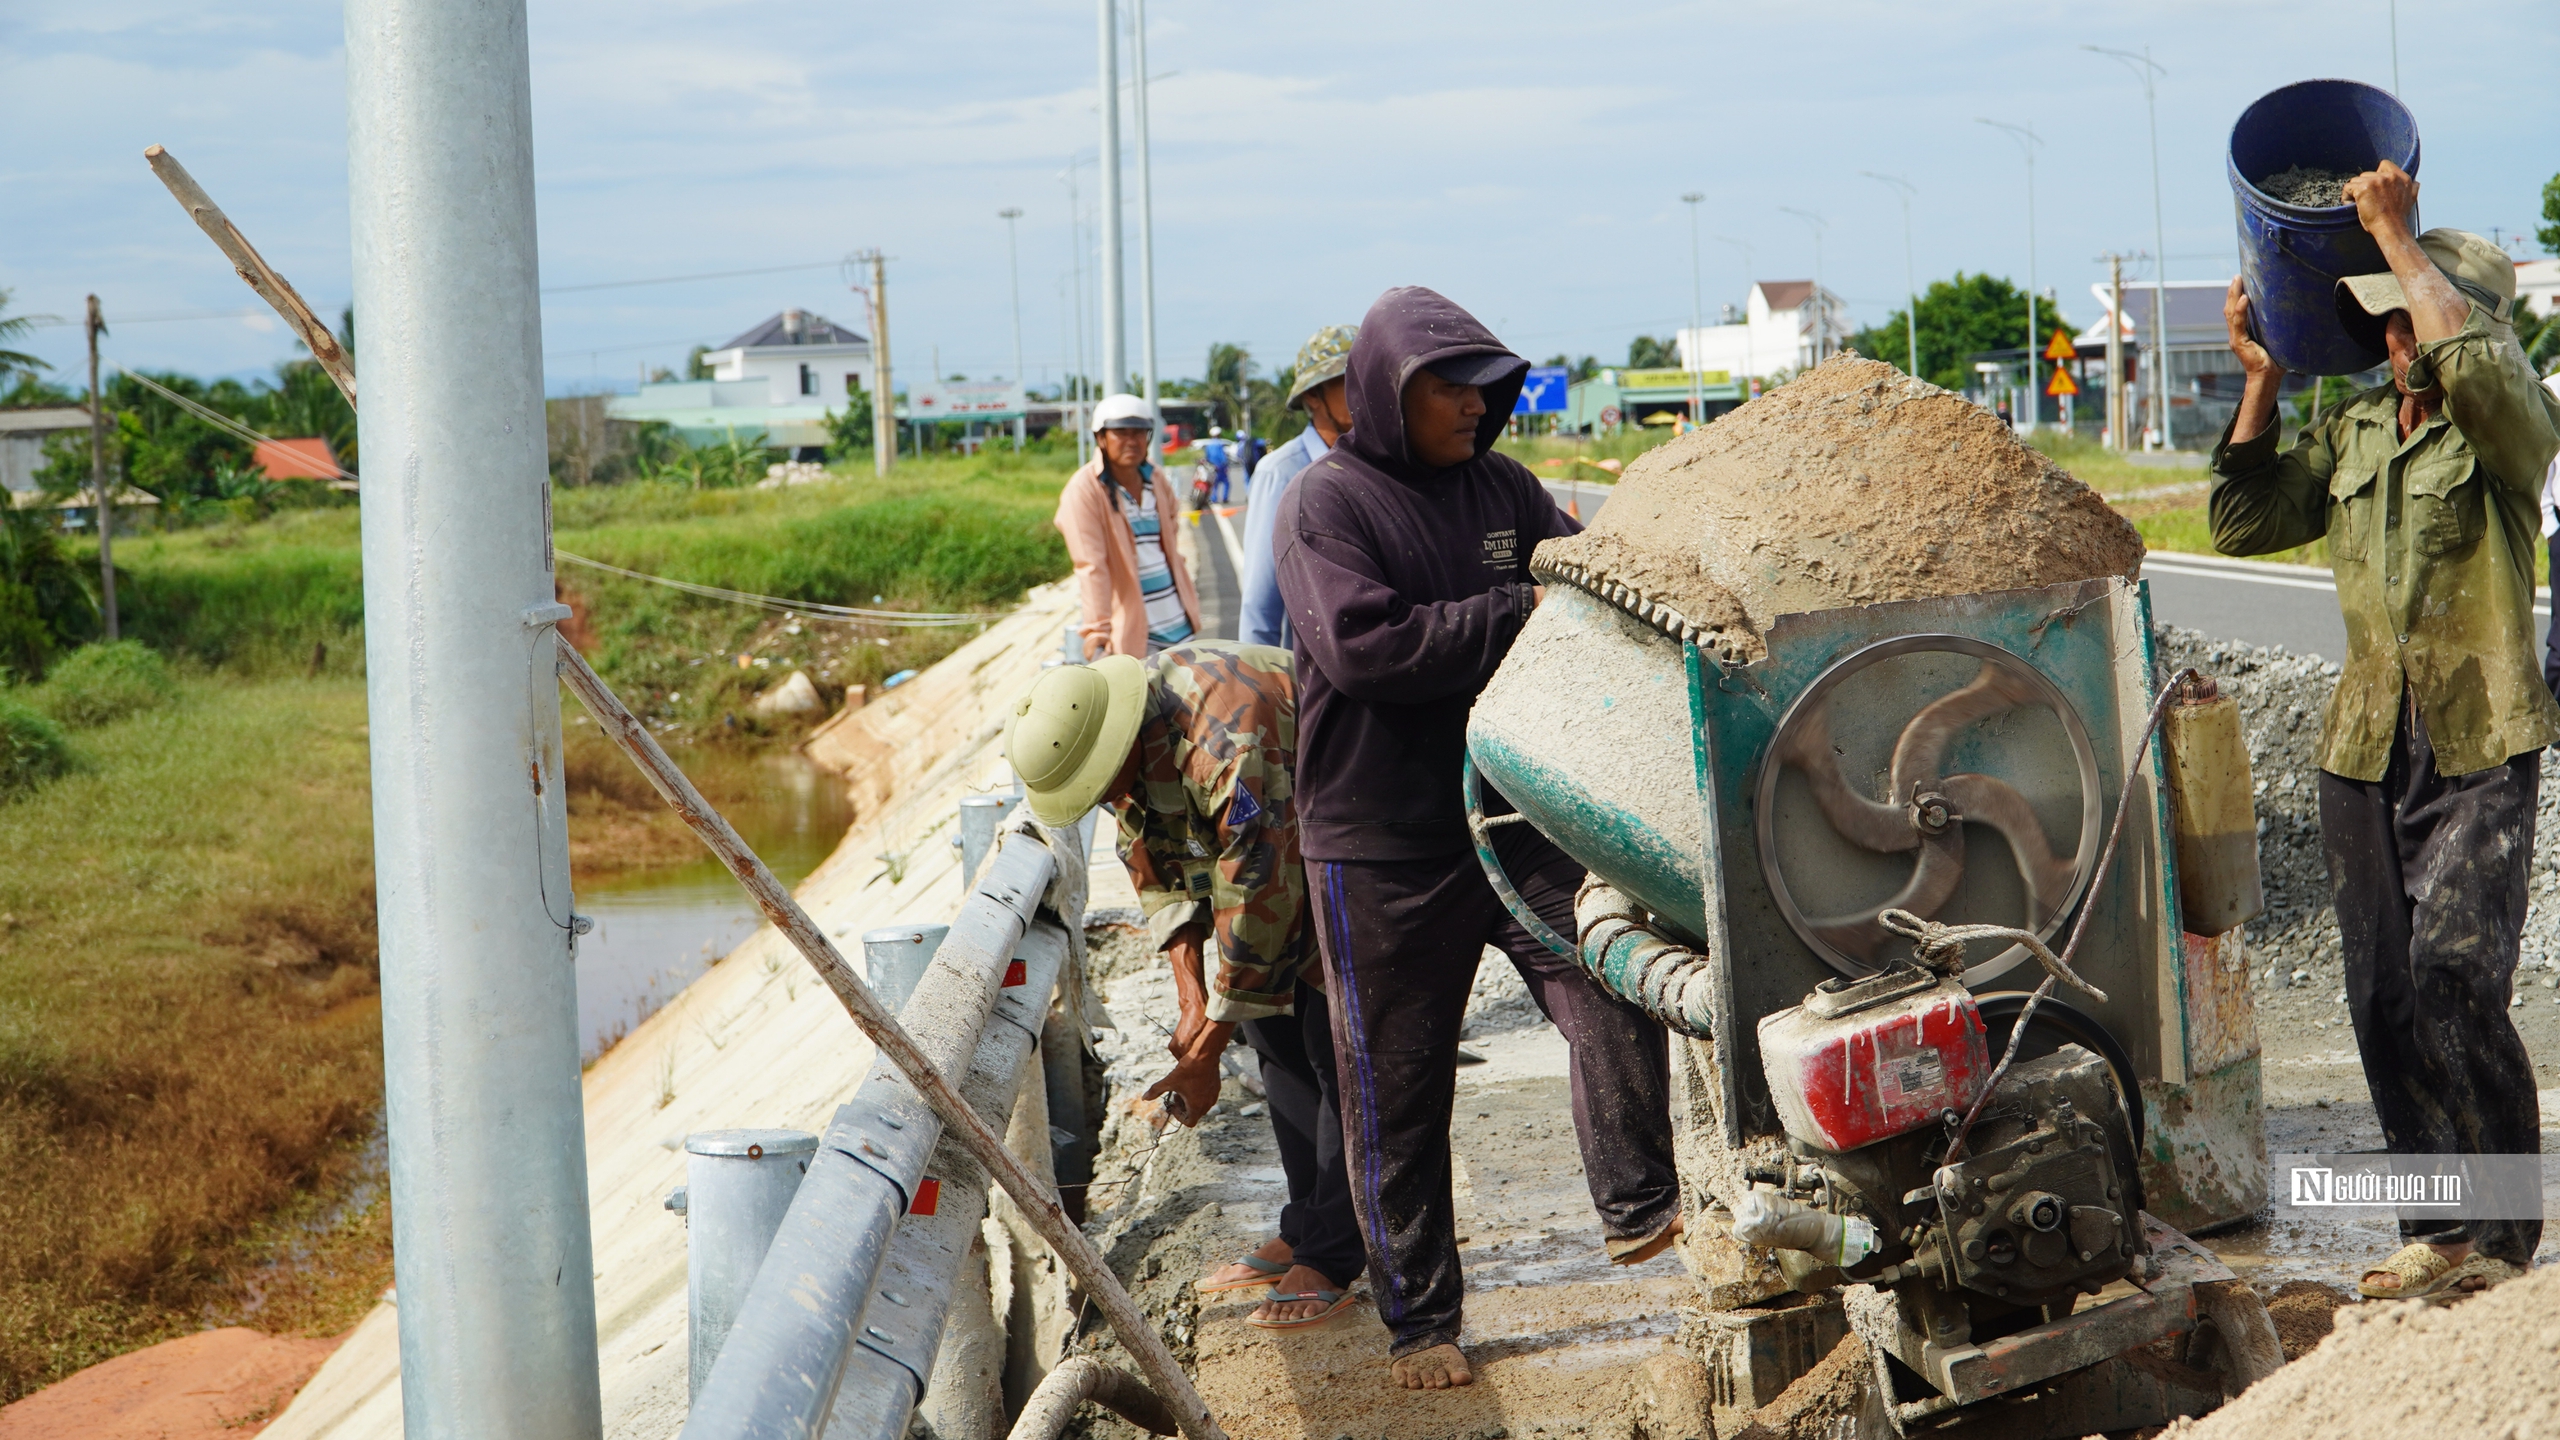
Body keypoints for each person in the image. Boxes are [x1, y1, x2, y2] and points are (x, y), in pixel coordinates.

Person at [1272, 287, 1681, 1391]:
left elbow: (1575, 584)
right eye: (1447, 388)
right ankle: (1420, 1321)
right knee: (1393, 1085)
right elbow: (1367, 650)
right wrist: (1516, 611)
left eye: (1483, 387)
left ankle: (1643, 1207)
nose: (1473, 406)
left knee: (1606, 970)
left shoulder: (1504, 488)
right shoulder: (1328, 503)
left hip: (1509, 808)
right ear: (1384, 394)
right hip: (1381, 840)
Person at [2211, 160, 2560, 1300]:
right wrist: (2259, 385)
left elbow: (2485, 374)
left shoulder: (2505, 435)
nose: (2393, 342)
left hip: (2478, 741)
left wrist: (2403, 244)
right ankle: (2440, 1231)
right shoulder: (2358, 431)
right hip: (2365, 748)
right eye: (2384, 323)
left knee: (2456, 973)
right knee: (2384, 997)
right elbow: (2240, 518)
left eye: (2406, 319)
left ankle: (2509, 1245)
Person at [1004, 643, 1362, 1330]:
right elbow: (1160, 871)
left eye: (1100, 786)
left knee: (1330, 1044)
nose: (1105, 801)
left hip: (1340, 840)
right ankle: (1305, 1224)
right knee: (1273, 1038)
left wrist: (1202, 1057)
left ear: (1117, 744)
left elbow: (1258, 896)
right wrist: (1195, 1004)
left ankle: (1336, 1252)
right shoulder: (1127, 743)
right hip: (1269, 864)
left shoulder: (1230, 741)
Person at [1054, 394, 1199, 659]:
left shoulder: (1156, 479)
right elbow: (1091, 567)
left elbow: (1171, 543)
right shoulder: (1084, 491)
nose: (1131, 441)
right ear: (1101, 438)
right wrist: (1098, 634)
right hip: (1138, 639)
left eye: (1139, 432)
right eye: (1121, 433)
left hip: (1181, 625)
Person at [1240, 324, 1357, 648]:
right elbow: (1260, 607)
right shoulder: (1280, 473)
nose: (1363, 391)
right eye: (1348, 381)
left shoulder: (1379, 464)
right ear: (1312, 395)